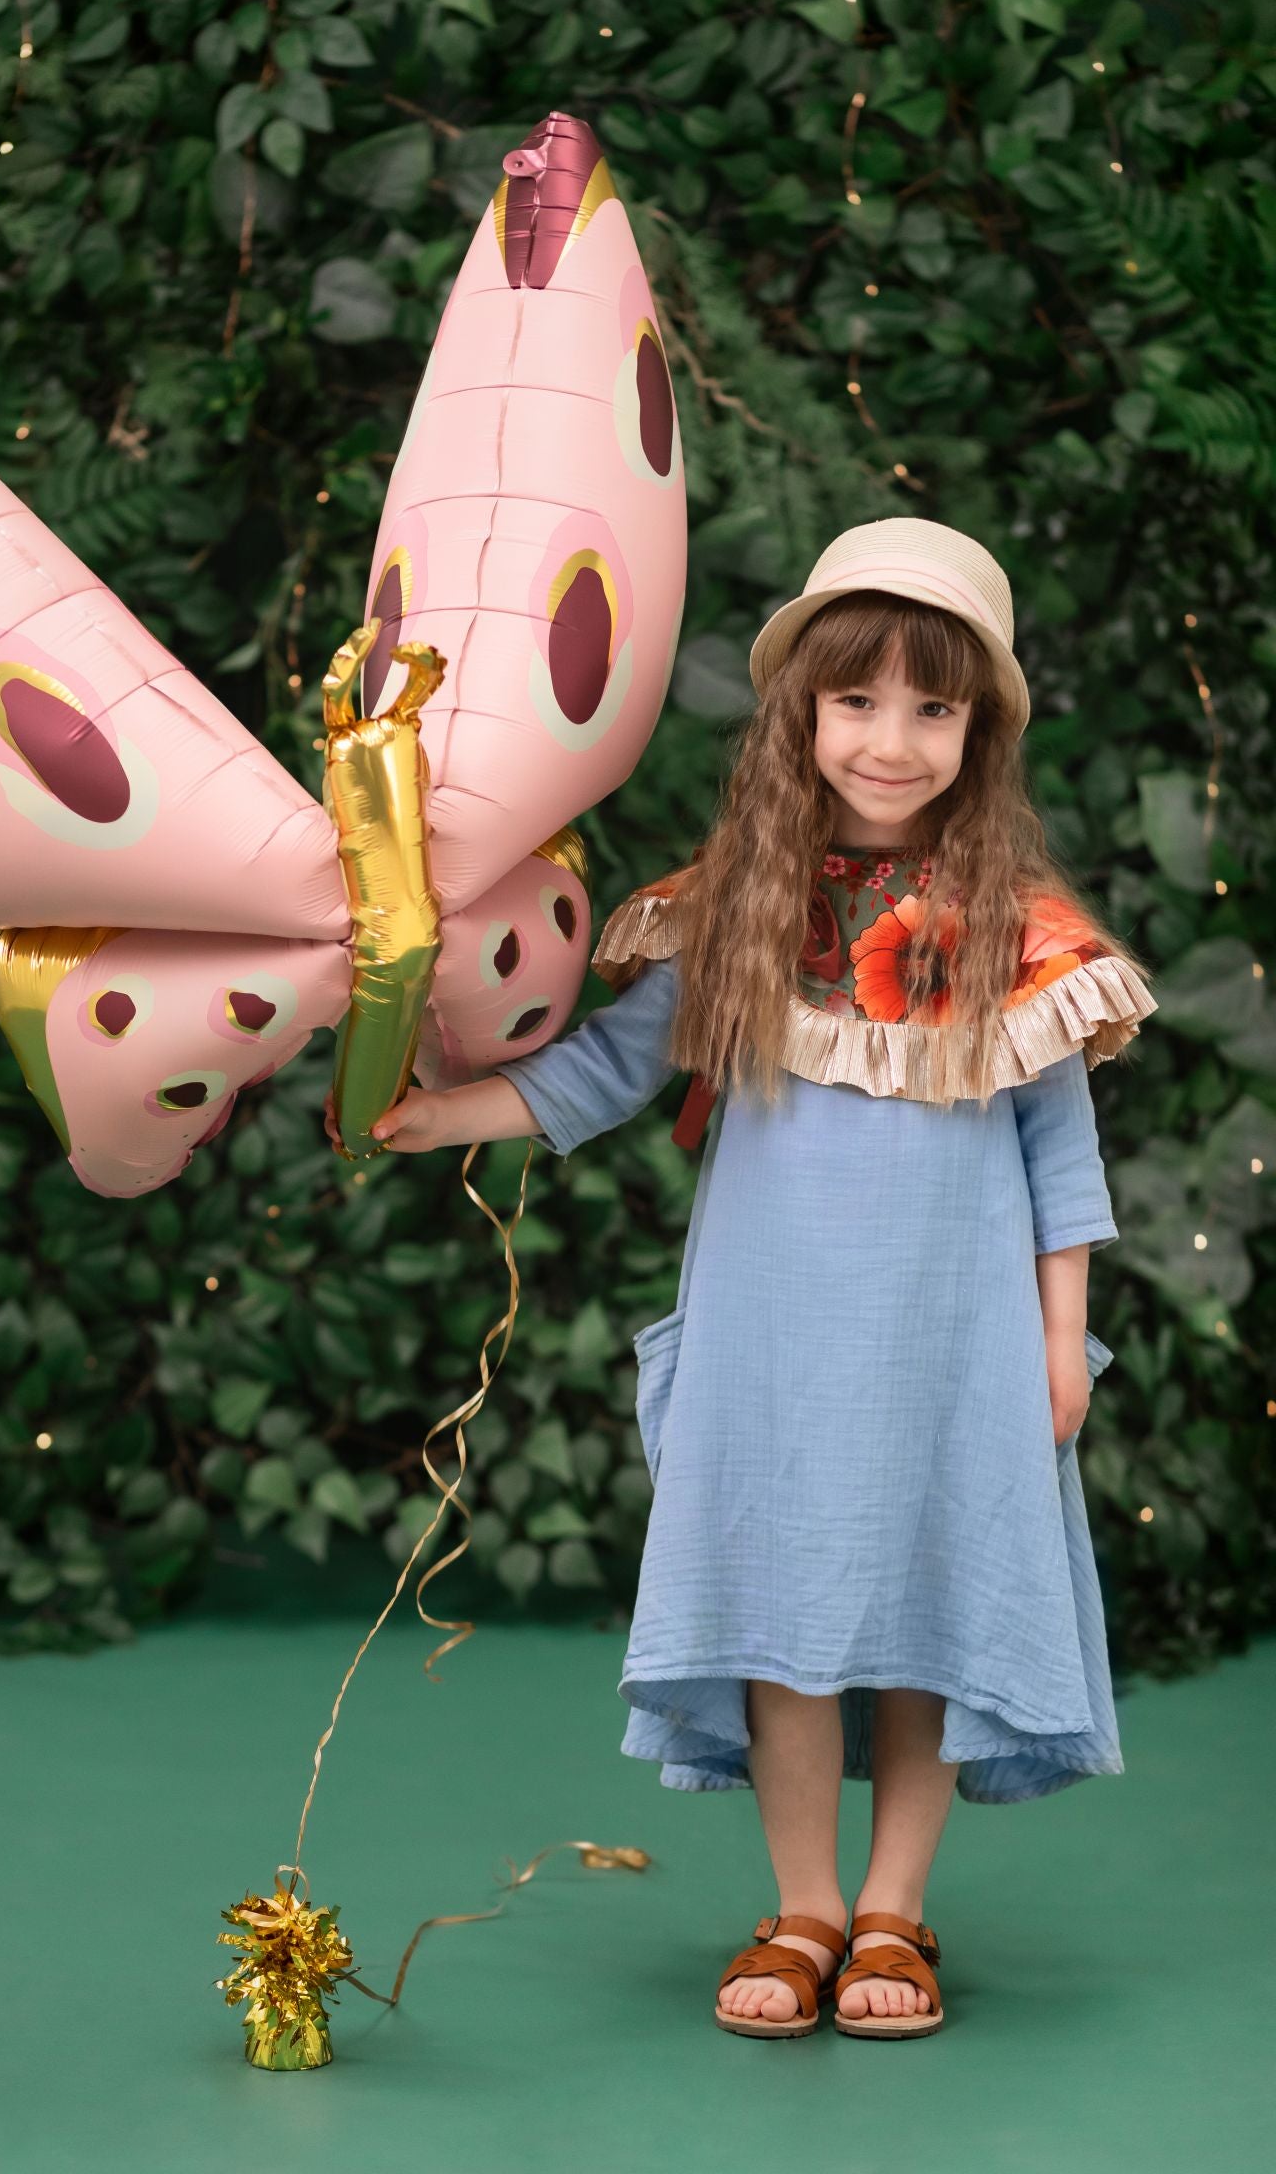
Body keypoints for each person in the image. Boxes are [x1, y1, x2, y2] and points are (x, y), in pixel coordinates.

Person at [329, 519, 1159, 2042]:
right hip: (775, 1337)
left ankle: (897, 1907)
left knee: (929, 1619)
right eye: (858, 703)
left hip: (959, 1341)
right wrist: (441, 1110)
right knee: (787, 1618)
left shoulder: (1017, 940)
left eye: (933, 708)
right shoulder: (739, 908)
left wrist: (1062, 1340)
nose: (891, 741)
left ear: (979, 734)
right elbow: (600, 1075)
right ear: (802, 715)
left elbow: (1062, 1161)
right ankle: (804, 1909)